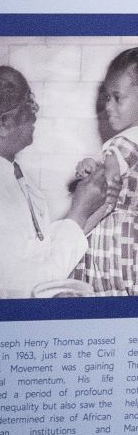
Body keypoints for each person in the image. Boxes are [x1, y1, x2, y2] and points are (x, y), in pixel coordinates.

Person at [0, 66, 107, 298]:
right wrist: (79, 211)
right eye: (29, 105)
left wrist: (93, 203)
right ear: (3, 124)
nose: (35, 113)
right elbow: (31, 288)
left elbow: (34, 246)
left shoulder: (1, 170)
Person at [78, 50, 138, 294]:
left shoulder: (123, 142)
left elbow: (106, 184)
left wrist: (93, 172)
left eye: (117, 97)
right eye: (106, 97)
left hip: (114, 244)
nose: (108, 106)